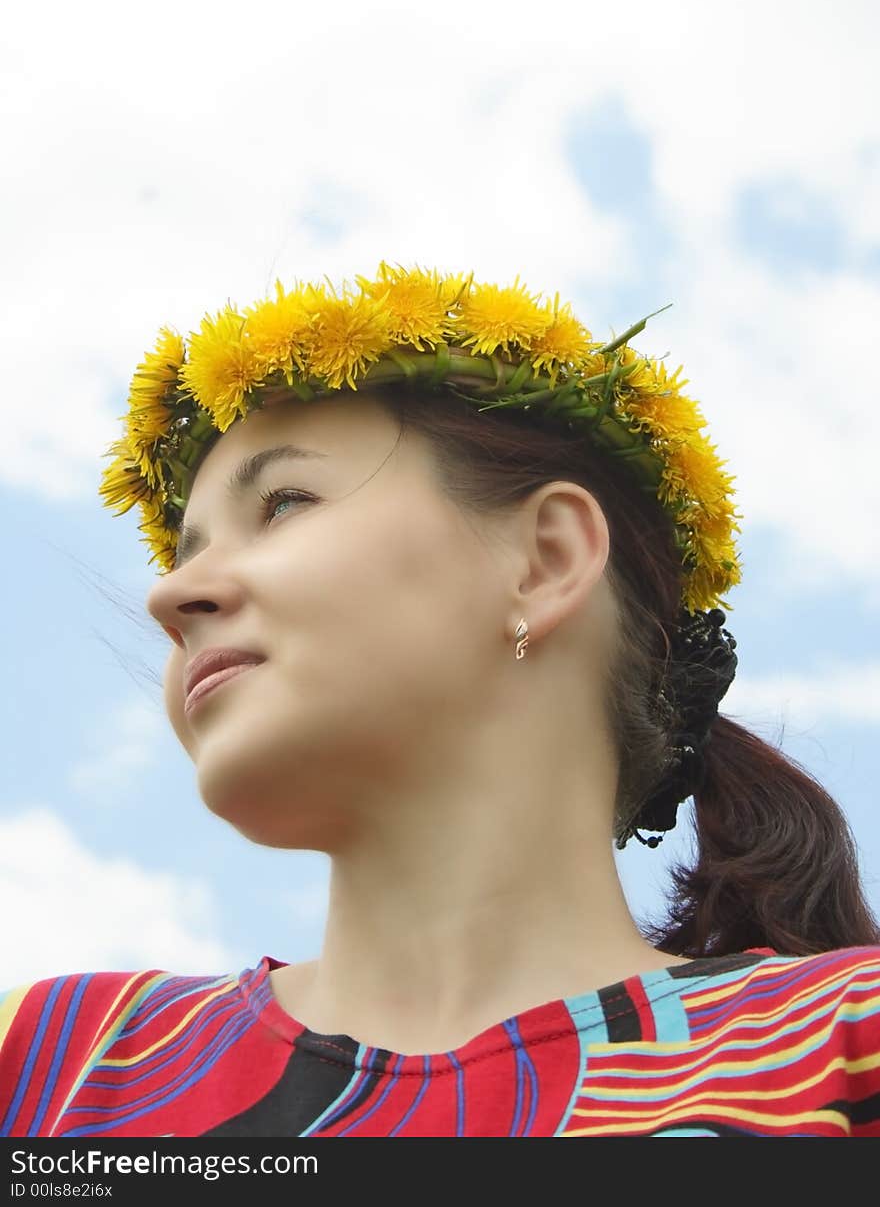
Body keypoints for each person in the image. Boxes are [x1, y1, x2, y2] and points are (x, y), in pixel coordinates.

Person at [2, 262, 879, 1138]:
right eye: (182, 556)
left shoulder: (849, 1044)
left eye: (283, 503)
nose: (168, 600)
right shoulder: (45, 1064)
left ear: (544, 560)